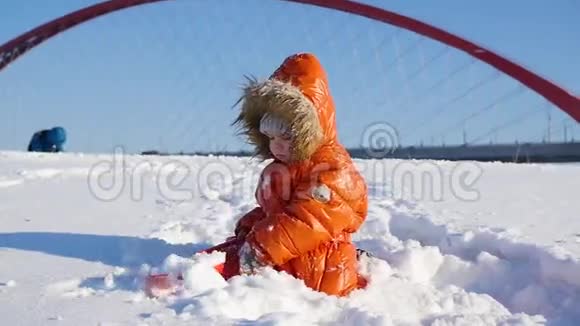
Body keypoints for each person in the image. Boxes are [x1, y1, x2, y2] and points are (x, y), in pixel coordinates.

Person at [222, 53, 368, 297]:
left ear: (309, 130)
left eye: (286, 137)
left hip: (322, 272)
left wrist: (262, 245)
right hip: (288, 257)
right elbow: (280, 210)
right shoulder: (286, 167)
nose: (276, 146)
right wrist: (252, 225)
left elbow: (311, 218)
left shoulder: (333, 168)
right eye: (270, 138)